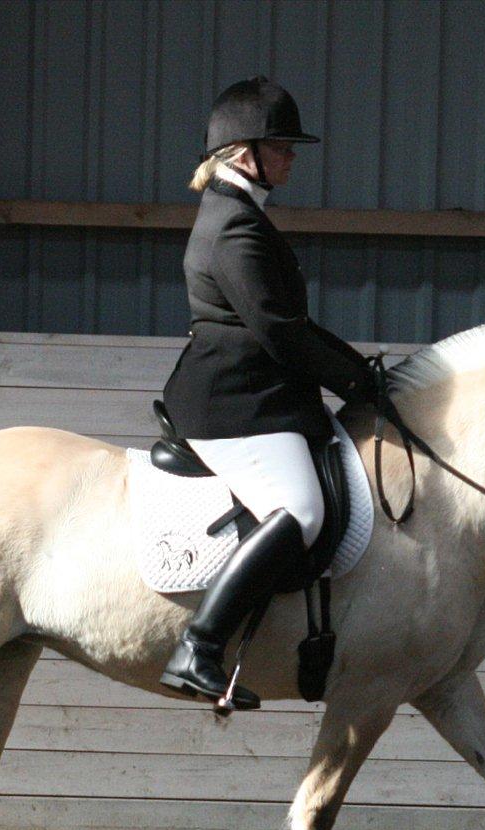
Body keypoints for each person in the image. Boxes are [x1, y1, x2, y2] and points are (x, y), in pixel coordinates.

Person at [159, 75, 374, 711]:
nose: (292, 156)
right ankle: (198, 646)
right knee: (302, 510)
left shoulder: (242, 213)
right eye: (281, 145)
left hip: (258, 395)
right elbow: (280, 330)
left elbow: (293, 325)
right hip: (233, 402)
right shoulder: (233, 226)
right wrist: (356, 380)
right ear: (244, 151)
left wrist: (360, 371)